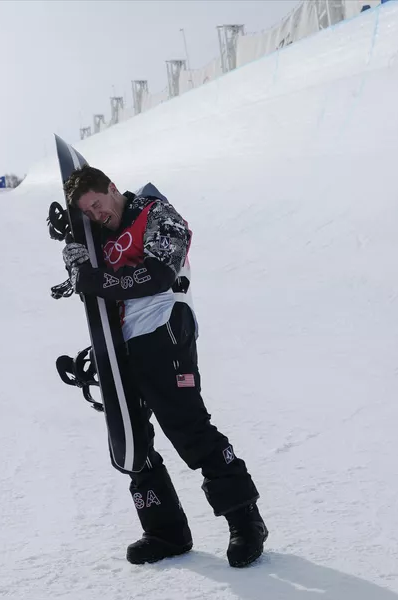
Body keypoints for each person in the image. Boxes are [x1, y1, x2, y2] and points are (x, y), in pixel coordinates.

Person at [61, 165, 268, 568]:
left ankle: (246, 522)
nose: (96, 215)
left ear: (112, 188)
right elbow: (89, 288)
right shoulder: (97, 237)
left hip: (164, 328)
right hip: (121, 344)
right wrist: (74, 261)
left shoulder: (157, 213)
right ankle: (165, 530)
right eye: (87, 212)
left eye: (98, 204)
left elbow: (157, 274)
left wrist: (93, 279)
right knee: (131, 438)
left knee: (188, 428)